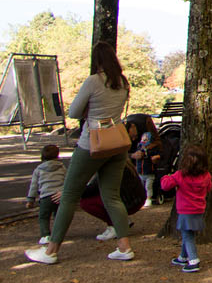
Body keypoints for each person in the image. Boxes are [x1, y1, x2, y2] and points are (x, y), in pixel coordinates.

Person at [25, 41, 134, 266]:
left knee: (69, 195)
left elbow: (74, 112)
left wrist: (89, 110)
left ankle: (51, 250)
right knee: (112, 196)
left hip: (92, 144)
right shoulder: (123, 82)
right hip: (117, 144)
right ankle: (124, 247)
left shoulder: (93, 81)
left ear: (96, 60)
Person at [162, 145, 212, 273]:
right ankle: (183, 256)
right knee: (188, 233)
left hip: (185, 210)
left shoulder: (180, 175)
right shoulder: (206, 176)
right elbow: (209, 188)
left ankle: (193, 260)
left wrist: (165, 177)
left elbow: (165, 186)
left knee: (187, 235)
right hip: (199, 209)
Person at [27, 144, 65, 245]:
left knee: (43, 217)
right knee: (58, 216)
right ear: (57, 155)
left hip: (45, 196)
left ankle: (45, 235)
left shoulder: (38, 169)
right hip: (59, 195)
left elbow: (34, 185)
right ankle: (58, 234)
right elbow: (66, 181)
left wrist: (30, 199)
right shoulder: (62, 167)